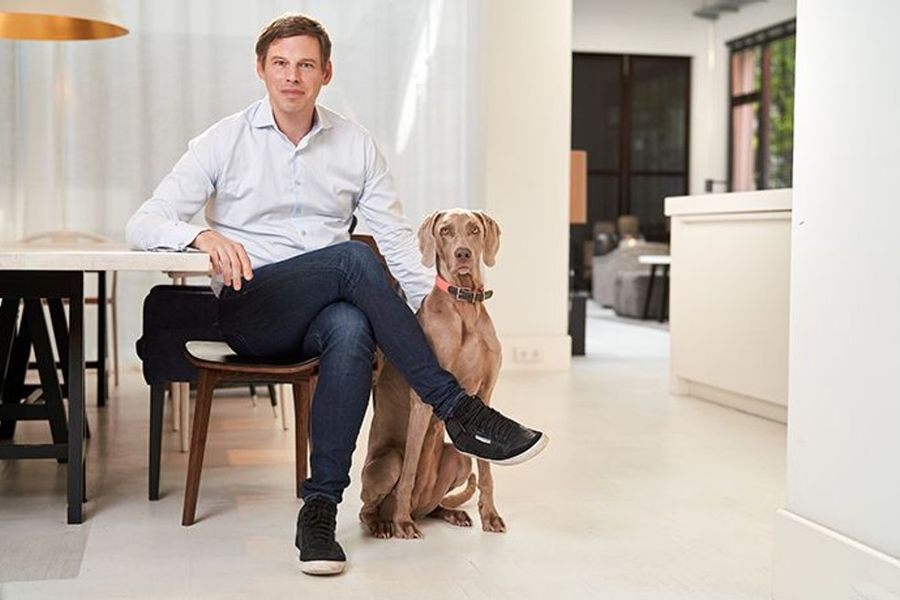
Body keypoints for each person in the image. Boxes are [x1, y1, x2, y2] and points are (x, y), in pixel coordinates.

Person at [126, 13, 547, 576]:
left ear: (325, 73)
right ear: (261, 69)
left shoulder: (354, 144)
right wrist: (201, 236)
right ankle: (458, 408)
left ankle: (320, 510)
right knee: (352, 258)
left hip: (326, 314)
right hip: (255, 308)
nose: (292, 76)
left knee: (351, 328)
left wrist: (441, 316)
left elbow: (397, 243)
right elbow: (144, 222)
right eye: (280, 63)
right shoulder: (223, 141)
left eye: (305, 64)